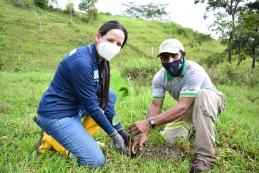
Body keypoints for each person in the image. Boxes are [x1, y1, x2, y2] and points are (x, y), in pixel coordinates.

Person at [34, 20, 130, 168]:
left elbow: (104, 99)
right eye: (110, 40)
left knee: (110, 95)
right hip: (57, 114)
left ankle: (79, 139)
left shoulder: (101, 60)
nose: (113, 46)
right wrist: (114, 135)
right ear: (98, 37)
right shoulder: (81, 61)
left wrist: (119, 129)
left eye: (118, 44)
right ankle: (51, 138)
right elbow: (92, 106)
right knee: (95, 161)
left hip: (75, 108)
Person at [129, 38, 226, 172]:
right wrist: (144, 133)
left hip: (212, 102)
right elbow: (156, 106)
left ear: (183, 55)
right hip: (189, 107)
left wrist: (150, 122)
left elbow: (182, 107)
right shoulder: (159, 78)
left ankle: (205, 158)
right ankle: (196, 126)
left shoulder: (194, 71)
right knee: (170, 139)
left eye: (174, 55)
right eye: (164, 57)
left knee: (203, 94)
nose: (170, 61)